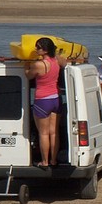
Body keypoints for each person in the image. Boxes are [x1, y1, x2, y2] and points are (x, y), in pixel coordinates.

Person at [25, 37, 65, 168]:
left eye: (38, 47)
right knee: (54, 132)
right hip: (56, 98)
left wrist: (26, 65)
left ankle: (45, 162)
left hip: (42, 100)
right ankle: (53, 160)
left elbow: (28, 75)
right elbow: (65, 63)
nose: (36, 49)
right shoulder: (57, 61)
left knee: (43, 133)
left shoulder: (39, 65)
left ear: (45, 50)